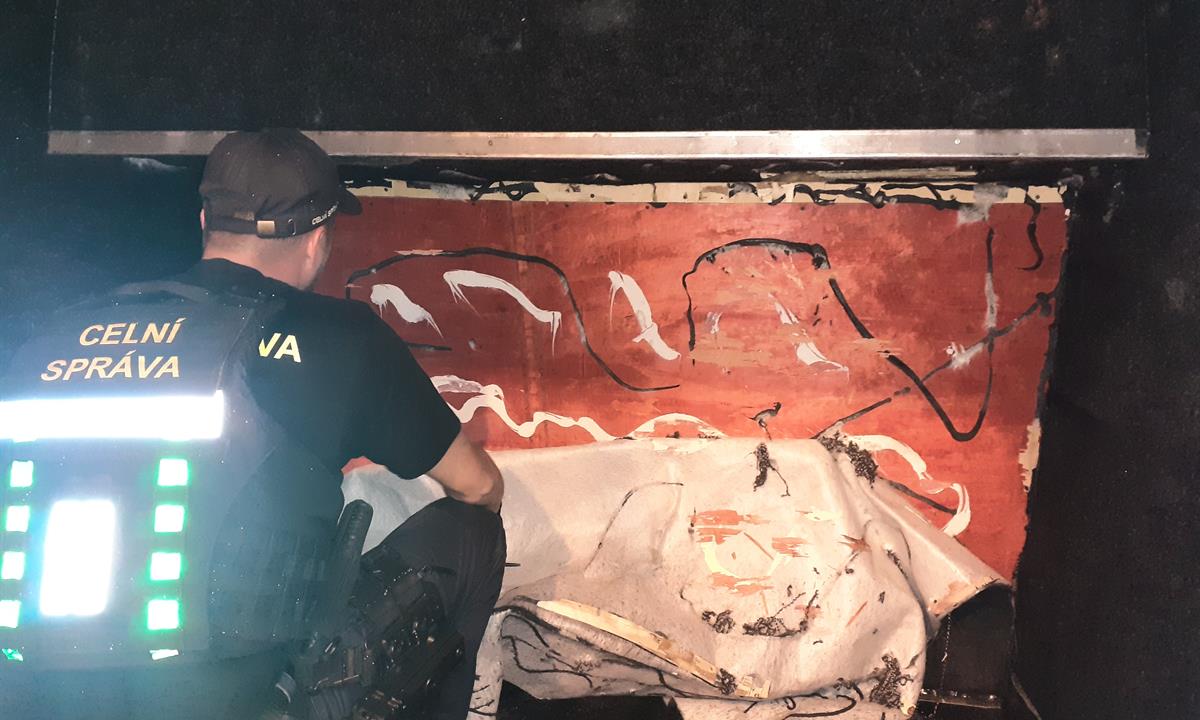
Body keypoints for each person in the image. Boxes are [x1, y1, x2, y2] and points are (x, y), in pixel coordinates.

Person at [0, 129, 505, 720]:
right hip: (243, 701)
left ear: (204, 222)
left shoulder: (55, 331)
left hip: (27, 694)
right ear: (316, 240)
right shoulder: (337, 334)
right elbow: (478, 485)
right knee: (475, 532)